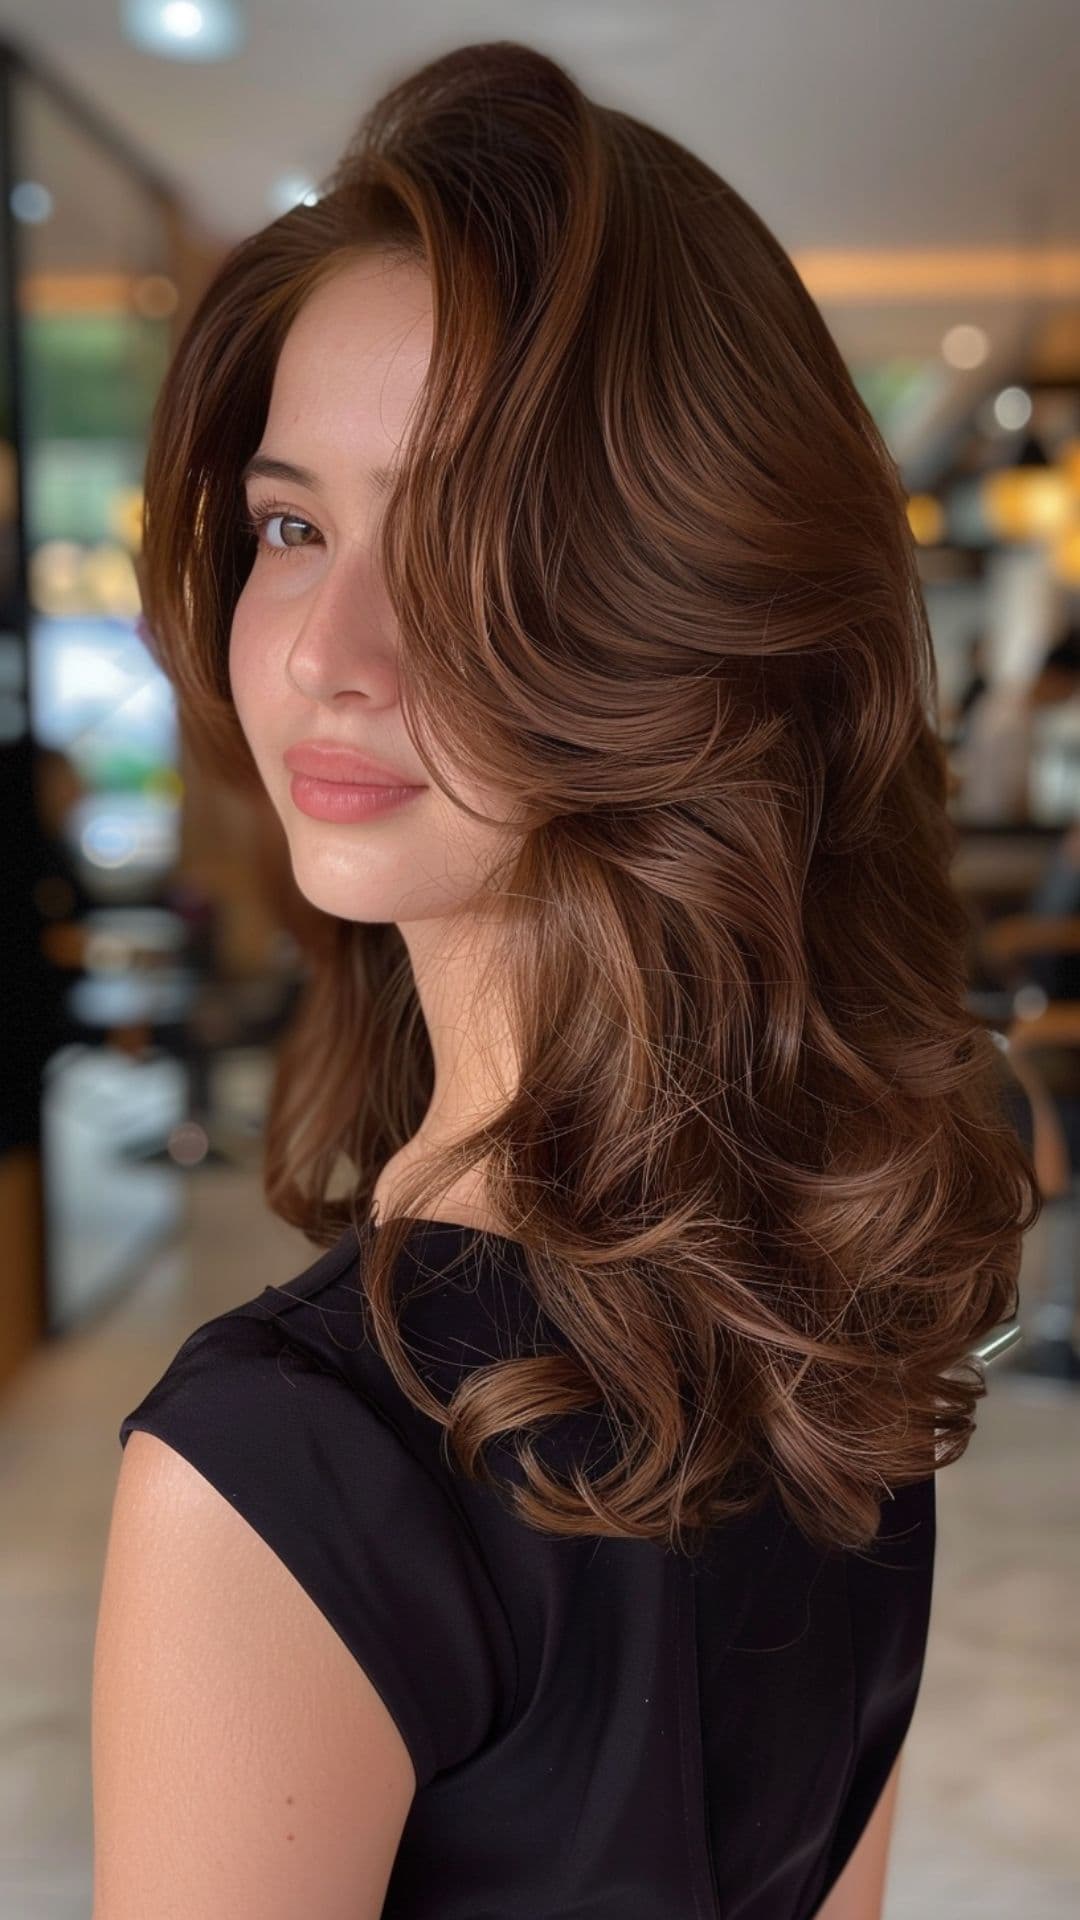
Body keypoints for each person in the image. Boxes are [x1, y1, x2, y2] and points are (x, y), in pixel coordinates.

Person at [91, 40, 1037, 1920]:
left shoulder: (283, 1472)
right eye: (294, 526)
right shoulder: (834, 1320)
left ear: (673, 608)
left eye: (455, 533)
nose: (328, 657)